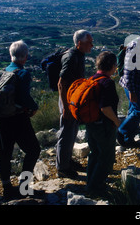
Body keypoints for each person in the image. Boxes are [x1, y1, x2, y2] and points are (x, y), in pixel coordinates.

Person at [0, 40, 40, 200]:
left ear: (11, 55)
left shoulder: (3, 72)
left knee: (5, 152)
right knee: (33, 149)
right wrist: (34, 107)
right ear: (25, 57)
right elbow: (24, 97)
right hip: (18, 119)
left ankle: (6, 187)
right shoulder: (23, 73)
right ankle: (24, 187)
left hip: (3, 119)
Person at [56, 30, 93, 178]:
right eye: (89, 42)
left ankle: (66, 161)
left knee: (72, 132)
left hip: (73, 100)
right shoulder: (72, 57)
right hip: (68, 102)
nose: (92, 45)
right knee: (66, 133)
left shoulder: (79, 55)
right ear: (79, 44)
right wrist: (66, 107)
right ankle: (62, 168)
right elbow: (61, 83)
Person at [85, 51, 121, 197]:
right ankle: (96, 188)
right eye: (115, 66)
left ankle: (90, 182)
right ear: (112, 66)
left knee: (94, 154)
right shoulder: (107, 82)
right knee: (106, 157)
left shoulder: (91, 79)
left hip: (91, 124)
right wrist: (116, 121)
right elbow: (105, 108)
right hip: (103, 126)